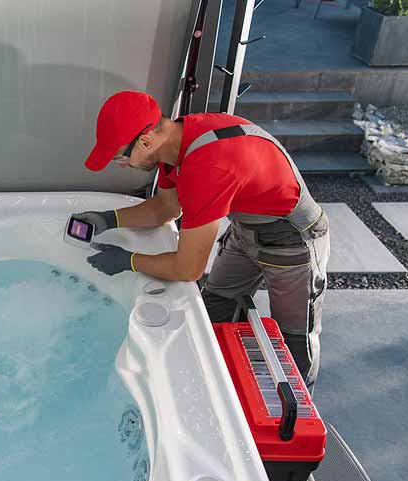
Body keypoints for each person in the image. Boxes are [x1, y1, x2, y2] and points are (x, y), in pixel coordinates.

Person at [78, 90, 330, 393]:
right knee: (215, 310)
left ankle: (295, 427)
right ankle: (226, 394)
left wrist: (127, 260)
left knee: (292, 344)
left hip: (292, 239)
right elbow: (167, 208)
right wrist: (109, 219)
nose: (122, 164)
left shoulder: (208, 167)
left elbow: (187, 268)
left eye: (121, 156)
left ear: (145, 141)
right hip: (246, 228)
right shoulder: (177, 140)